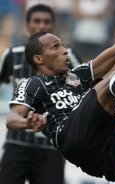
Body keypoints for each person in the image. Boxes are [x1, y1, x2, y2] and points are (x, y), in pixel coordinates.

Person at [5, 0, 115, 183]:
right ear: (39, 59)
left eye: (62, 45)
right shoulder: (33, 84)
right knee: (113, 78)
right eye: (55, 47)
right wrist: (27, 122)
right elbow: (12, 119)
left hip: (103, 144)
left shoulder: (77, 75)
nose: (65, 51)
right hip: (70, 135)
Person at [0, 4, 82, 184]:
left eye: (47, 22)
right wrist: (25, 122)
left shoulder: (67, 56)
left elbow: (83, 91)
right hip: (16, 144)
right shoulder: (12, 55)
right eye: (36, 21)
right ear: (26, 25)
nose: (42, 26)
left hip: (51, 148)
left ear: (53, 26)